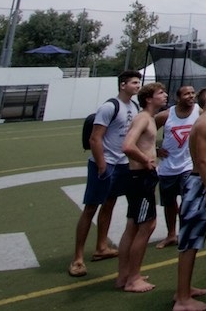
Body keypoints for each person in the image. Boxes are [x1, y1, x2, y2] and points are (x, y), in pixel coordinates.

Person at [68, 70, 142, 278]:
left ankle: (102, 246)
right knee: (91, 207)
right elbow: (95, 138)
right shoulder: (110, 107)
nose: (138, 85)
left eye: (139, 82)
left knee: (110, 203)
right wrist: (101, 165)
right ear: (122, 85)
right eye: (134, 82)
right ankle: (78, 258)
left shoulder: (134, 106)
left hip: (122, 163)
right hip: (106, 163)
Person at [173, 84, 206, 311]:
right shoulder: (205, 123)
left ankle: (184, 290)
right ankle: (183, 300)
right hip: (198, 185)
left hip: (203, 182)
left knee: (193, 242)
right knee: (189, 242)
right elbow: (203, 160)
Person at [116, 81, 168, 293]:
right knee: (147, 225)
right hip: (141, 177)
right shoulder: (143, 118)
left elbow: (140, 144)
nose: (165, 96)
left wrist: (155, 150)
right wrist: (146, 160)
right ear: (148, 98)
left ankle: (124, 275)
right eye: (160, 93)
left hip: (138, 177)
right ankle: (133, 279)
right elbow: (128, 146)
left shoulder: (148, 119)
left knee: (133, 225)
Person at [155, 85, 200, 249]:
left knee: (187, 201)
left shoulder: (198, 112)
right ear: (178, 97)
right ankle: (171, 235)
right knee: (169, 203)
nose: (191, 96)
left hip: (188, 166)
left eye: (192, 93)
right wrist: (155, 149)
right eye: (187, 93)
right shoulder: (165, 116)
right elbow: (145, 132)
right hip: (168, 167)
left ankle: (185, 233)